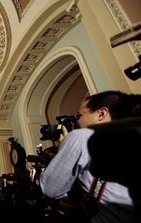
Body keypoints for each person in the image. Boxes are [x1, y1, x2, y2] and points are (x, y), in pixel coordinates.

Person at [40, 90, 141, 223]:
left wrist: (65, 146)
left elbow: (50, 189)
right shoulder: (131, 135)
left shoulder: (81, 136)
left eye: (79, 115)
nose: (77, 121)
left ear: (101, 113)